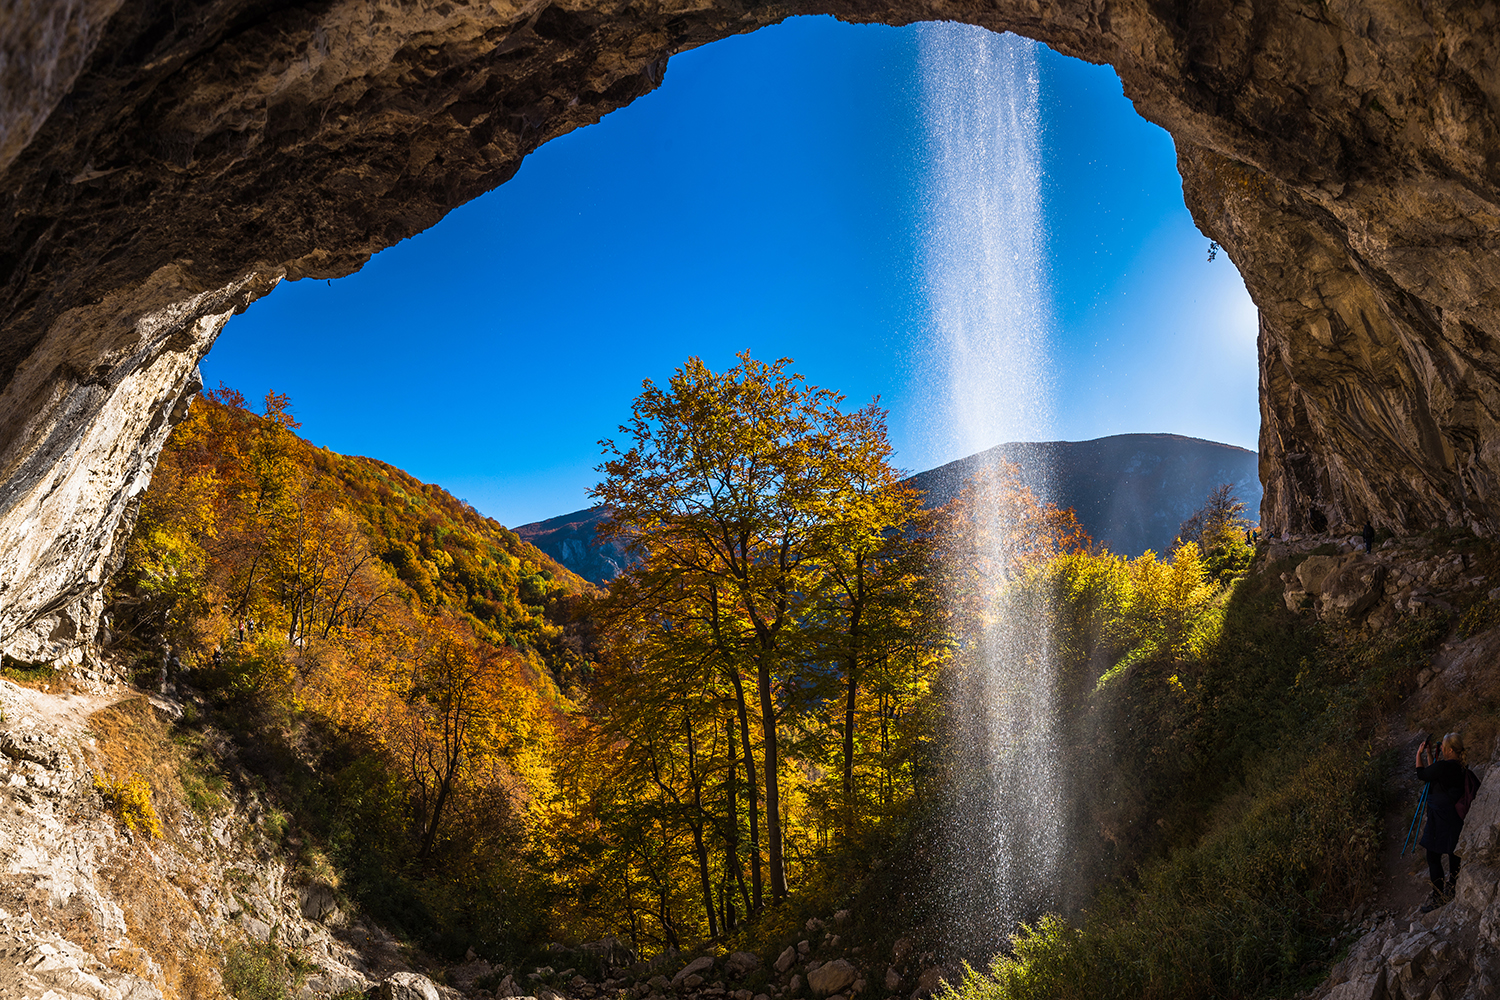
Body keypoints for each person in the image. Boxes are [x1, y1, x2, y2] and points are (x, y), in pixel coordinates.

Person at [1415, 732, 1468, 912]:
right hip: (1455, 817)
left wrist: (1419, 754)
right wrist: (1430, 755)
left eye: (1444, 749)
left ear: (1450, 750)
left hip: (1440, 817)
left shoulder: (1444, 767)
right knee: (1453, 852)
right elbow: (1436, 774)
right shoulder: (1461, 766)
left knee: (1433, 856)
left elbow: (1422, 774)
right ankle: (1452, 888)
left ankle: (1438, 897)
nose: (1443, 751)